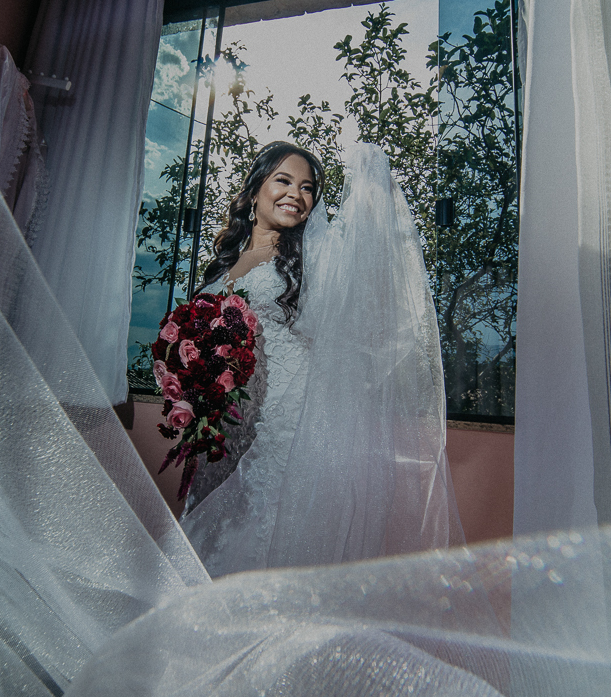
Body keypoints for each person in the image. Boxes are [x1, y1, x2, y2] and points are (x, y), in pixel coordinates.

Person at [181, 141, 459, 577]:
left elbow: (371, 297)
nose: (297, 194)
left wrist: (370, 184)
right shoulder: (224, 264)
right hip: (228, 422)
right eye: (284, 180)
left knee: (265, 531)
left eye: (308, 187)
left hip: (288, 422)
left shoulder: (315, 257)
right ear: (255, 190)